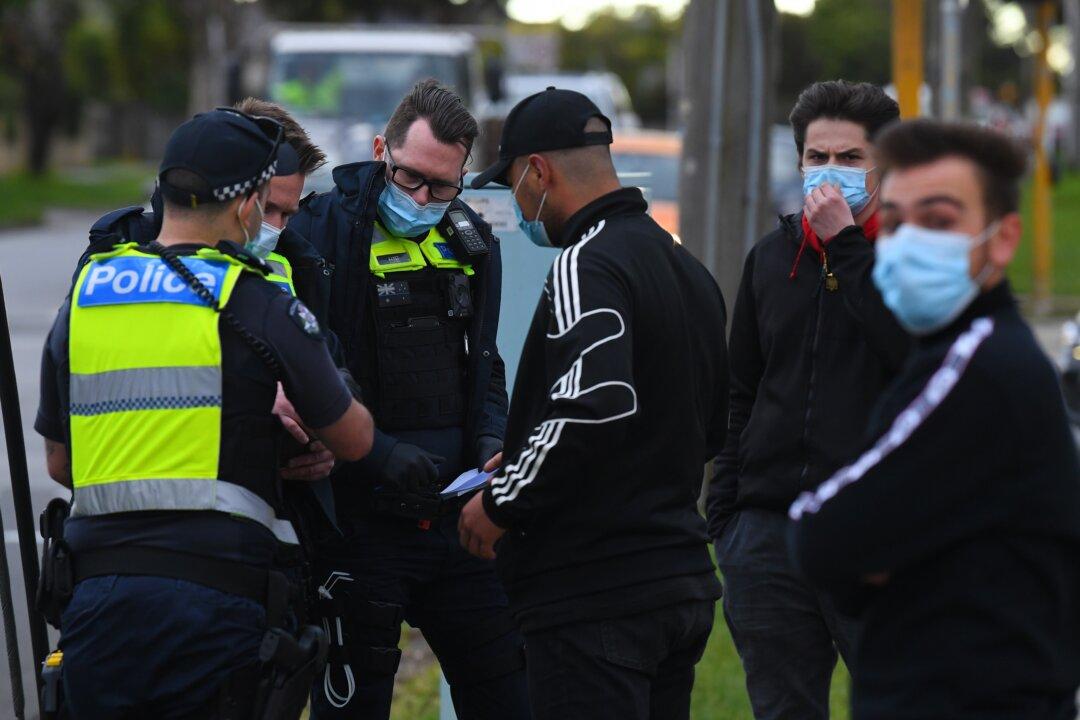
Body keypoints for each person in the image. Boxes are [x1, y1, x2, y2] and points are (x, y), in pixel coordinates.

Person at [34, 108, 375, 718]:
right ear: (246, 206)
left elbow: (62, 464)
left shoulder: (87, 293)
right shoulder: (254, 298)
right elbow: (353, 438)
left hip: (97, 601)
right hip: (214, 605)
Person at [789, 119, 1080, 720]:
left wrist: (887, 559)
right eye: (894, 222)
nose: (909, 239)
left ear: (1001, 240)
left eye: (941, 221)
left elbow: (819, 532)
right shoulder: (949, 353)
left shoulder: (979, 365)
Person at [460, 87, 729, 720]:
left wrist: (503, 499)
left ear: (539, 171)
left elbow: (596, 401)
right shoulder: (685, 265)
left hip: (595, 594)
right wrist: (530, 456)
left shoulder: (586, 260)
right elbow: (707, 426)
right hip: (678, 585)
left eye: (516, 185)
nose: (521, 203)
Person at [286, 79, 527, 720]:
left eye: (442, 186)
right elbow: (314, 364)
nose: (422, 199)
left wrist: (491, 444)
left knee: (509, 697)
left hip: (457, 520)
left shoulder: (471, 239)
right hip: (360, 525)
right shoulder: (319, 232)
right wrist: (380, 453)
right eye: (410, 178)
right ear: (379, 151)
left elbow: (486, 363)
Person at [703, 80, 908, 720]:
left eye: (850, 158)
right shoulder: (770, 259)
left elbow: (915, 360)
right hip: (766, 537)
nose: (830, 171)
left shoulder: (914, 259)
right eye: (817, 156)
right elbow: (742, 389)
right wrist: (727, 513)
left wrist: (847, 245)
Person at [81, 98, 344, 489]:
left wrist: (324, 438)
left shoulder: (300, 263)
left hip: (266, 511)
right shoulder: (122, 251)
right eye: (266, 207)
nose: (273, 228)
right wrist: (253, 397)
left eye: (288, 214)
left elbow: (335, 371)